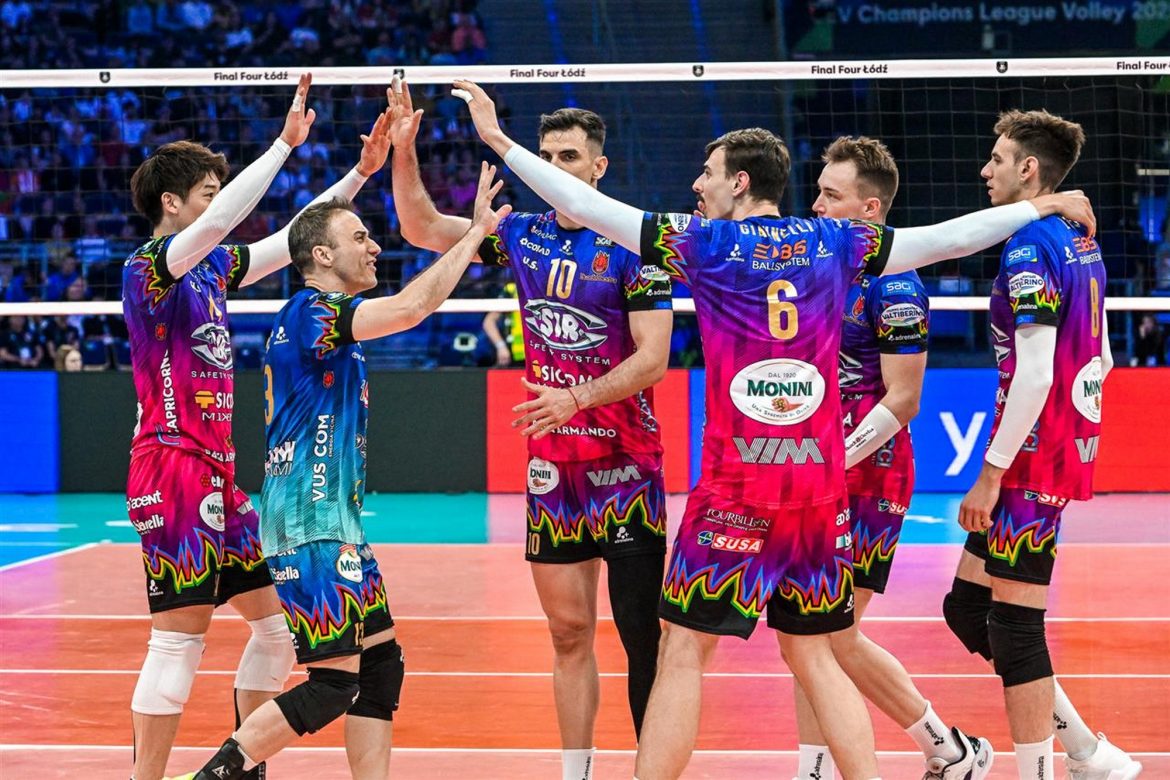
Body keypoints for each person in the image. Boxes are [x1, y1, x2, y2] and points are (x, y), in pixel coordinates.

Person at [452, 79, 1096, 780]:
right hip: (818, 488)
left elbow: (584, 206)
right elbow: (950, 240)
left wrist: (497, 138)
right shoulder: (836, 239)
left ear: (740, 182)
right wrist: (1040, 205)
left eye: (707, 172)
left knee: (683, 650)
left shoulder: (703, 243)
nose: (696, 185)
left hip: (737, 486)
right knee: (816, 652)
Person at [170, 166, 511, 780]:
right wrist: (474, 235)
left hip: (335, 524)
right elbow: (412, 308)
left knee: (380, 669)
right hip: (309, 526)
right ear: (322, 256)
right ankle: (215, 775)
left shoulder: (320, 316)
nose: (375, 246)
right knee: (333, 683)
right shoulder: (312, 311)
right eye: (360, 237)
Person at [389, 78, 673, 780]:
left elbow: (654, 359)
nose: (554, 168)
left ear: (599, 167)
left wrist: (576, 398)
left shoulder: (636, 243)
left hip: (626, 468)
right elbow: (421, 229)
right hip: (553, 471)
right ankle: (576, 772)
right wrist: (404, 150)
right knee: (569, 633)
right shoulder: (523, 233)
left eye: (568, 157)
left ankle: (652, 770)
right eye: (546, 156)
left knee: (643, 638)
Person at [122, 74, 393, 780]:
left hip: (219, 474)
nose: (219, 204)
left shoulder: (211, 271)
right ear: (172, 202)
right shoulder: (150, 270)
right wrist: (281, 146)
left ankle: (242, 768)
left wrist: (359, 176)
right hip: (170, 466)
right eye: (208, 191)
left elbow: (288, 242)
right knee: (178, 642)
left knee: (276, 631)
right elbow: (219, 224)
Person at [941, 109, 1142, 780]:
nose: (985, 170)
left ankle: (1048, 771)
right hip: (1057, 447)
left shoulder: (1029, 248)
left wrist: (992, 471)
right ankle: (1087, 752)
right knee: (967, 609)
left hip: (1031, 459)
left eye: (997, 159)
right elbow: (1103, 358)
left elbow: (1035, 373)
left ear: (1029, 169)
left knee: (1016, 626)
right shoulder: (1079, 239)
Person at [785, 134, 992, 780]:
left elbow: (903, 399)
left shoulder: (895, 284)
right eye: (818, 191)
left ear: (870, 209)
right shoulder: (819, 267)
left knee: (828, 634)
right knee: (807, 636)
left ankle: (941, 748)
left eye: (831, 195)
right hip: (817, 469)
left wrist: (834, 458)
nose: (816, 205)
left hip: (869, 475)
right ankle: (937, 750)